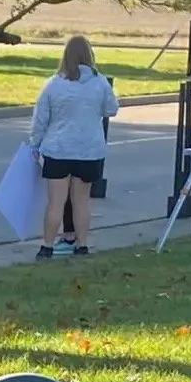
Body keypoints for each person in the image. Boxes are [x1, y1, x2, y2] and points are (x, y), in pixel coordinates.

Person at [30, 35, 119, 259]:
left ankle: (47, 246)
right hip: (89, 150)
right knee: (81, 202)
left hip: (58, 149)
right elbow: (111, 109)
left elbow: (41, 119)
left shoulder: (54, 84)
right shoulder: (100, 83)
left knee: (55, 203)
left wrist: (35, 144)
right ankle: (82, 245)